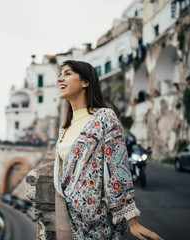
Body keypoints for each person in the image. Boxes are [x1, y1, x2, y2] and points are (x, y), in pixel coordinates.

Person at [53, 60, 162, 240]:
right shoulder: (65, 127)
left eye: (67, 73)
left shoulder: (105, 117)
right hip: (73, 222)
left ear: (85, 82)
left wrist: (132, 220)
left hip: (102, 224)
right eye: (60, 74)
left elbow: (118, 169)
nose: (60, 79)